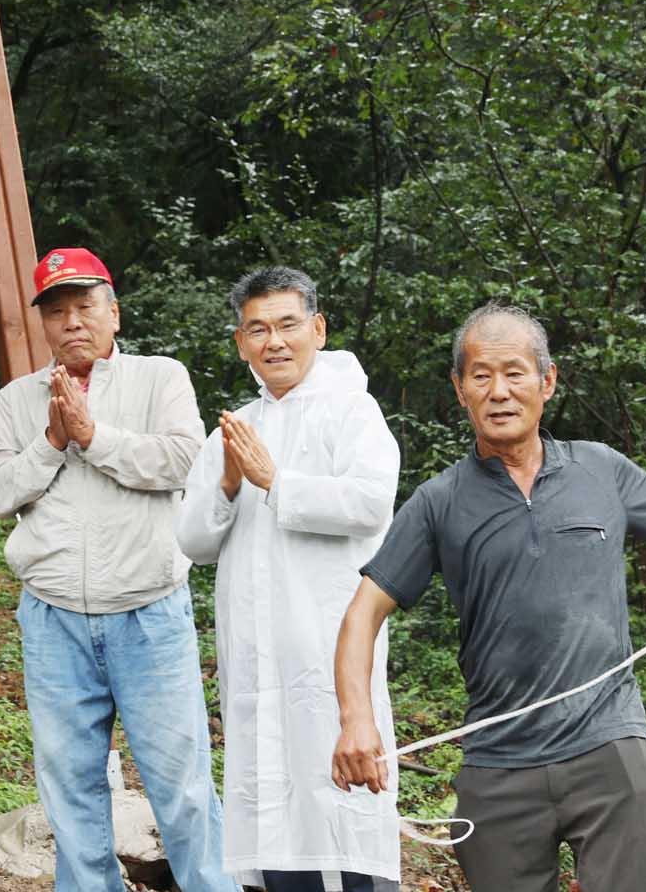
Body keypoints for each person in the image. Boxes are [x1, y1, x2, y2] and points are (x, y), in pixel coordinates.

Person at [332, 304, 646, 892]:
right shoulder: (438, 501)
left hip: (608, 747)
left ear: (547, 381)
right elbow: (362, 613)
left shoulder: (600, 470)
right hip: (497, 765)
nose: (499, 391)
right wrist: (356, 720)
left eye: (515, 373)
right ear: (460, 389)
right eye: (481, 376)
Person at [0, 247, 238, 892]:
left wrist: (93, 436)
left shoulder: (160, 378)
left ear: (114, 313)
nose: (72, 322)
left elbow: (185, 462)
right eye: (56, 311)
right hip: (53, 616)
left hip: (149, 611)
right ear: (43, 323)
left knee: (180, 780)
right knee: (69, 783)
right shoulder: (17, 398)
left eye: (85, 306)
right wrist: (52, 441)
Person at [175, 267, 401, 892]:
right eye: (257, 329)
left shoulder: (352, 409)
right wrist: (228, 483)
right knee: (272, 814)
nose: (274, 342)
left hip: (328, 655)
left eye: (287, 325)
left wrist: (275, 482)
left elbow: (370, 503)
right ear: (240, 342)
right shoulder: (233, 429)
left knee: (347, 812)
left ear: (318, 329)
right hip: (256, 662)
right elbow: (192, 542)